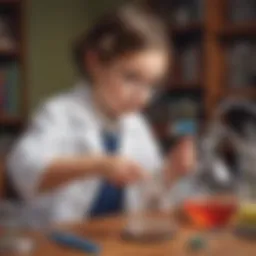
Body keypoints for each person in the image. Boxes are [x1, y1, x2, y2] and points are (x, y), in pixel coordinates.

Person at [8, 3, 196, 224]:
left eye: (151, 85)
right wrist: (98, 165)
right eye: (131, 78)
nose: (143, 97)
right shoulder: (59, 113)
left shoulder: (136, 125)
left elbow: (144, 196)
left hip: (112, 240)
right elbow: (22, 170)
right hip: (55, 239)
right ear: (94, 62)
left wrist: (170, 172)